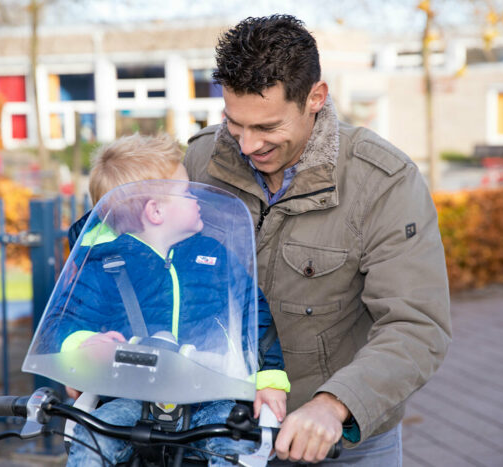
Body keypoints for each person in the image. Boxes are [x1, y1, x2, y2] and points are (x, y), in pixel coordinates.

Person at [184, 15, 451, 465]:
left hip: (339, 442)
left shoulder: (385, 183)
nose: (247, 145)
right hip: (212, 431)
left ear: (315, 98)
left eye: (267, 127)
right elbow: (146, 264)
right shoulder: (197, 160)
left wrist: (333, 405)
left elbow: (416, 326)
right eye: (234, 122)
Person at [58, 133, 290, 466]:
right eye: (186, 191)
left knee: (232, 443)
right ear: (155, 211)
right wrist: (83, 346)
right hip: (133, 393)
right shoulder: (104, 265)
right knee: (90, 437)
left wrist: (269, 379)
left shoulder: (213, 256)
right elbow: (72, 319)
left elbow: (255, 317)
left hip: (210, 392)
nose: (197, 197)